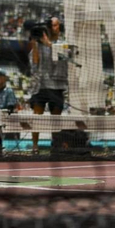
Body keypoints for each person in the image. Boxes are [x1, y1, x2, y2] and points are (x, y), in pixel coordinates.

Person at [28, 18, 69, 153]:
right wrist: (35, 45)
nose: (54, 27)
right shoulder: (39, 44)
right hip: (40, 85)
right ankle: (35, 146)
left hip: (57, 85)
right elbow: (34, 65)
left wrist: (49, 44)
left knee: (55, 119)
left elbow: (64, 58)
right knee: (36, 117)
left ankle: (55, 145)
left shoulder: (63, 43)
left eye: (56, 25)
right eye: (52, 25)